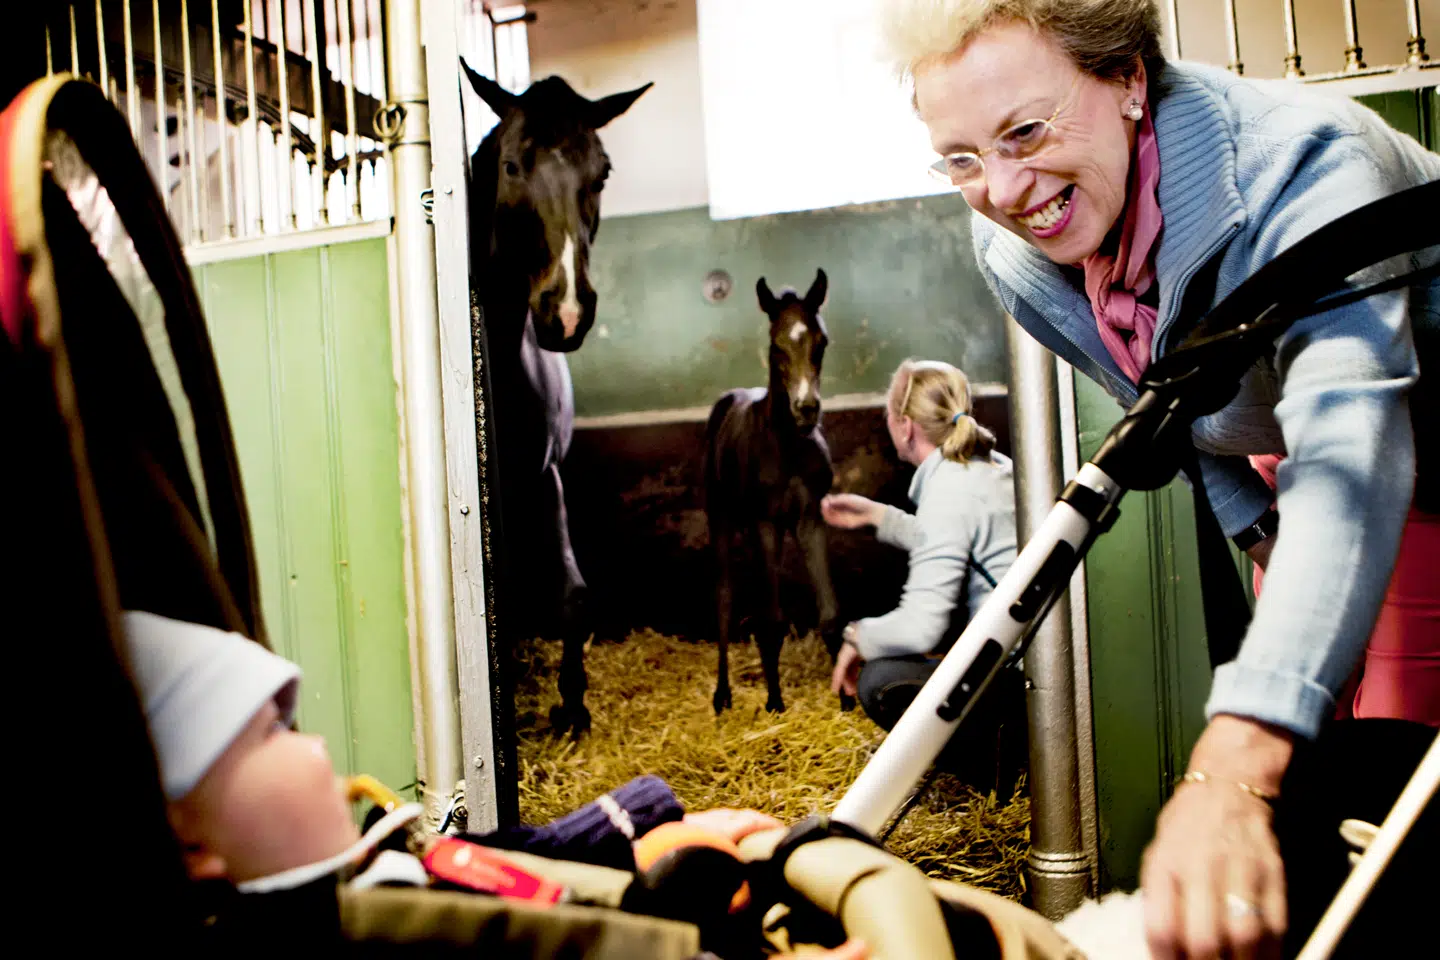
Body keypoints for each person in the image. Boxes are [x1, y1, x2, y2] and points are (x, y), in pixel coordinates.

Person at [878, 1, 1440, 957]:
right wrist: (1254, 524)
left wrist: (1229, 765)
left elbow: (1352, 439)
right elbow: (1164, 401)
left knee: (1392, 780)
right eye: (963, 158)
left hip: (1388, 451)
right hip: (1310, 476)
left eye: (1025, 131)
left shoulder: (1309, 163)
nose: (1005, 188)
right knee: (1323, 777)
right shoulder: (1016, 250)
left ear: (1130, 79)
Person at [121, 608, 869, 958]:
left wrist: (654, 830)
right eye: (272, 734)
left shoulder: (383, 875)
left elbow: (507, 861)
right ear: (187, 840)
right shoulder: (363, 932)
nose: (317, 746)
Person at [822, 359, 1018, 736]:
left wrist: (857, 637)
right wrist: (879, 516)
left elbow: (921, 628)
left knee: (880, 680)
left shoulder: (948, 490)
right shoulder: (989, 467)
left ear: (905, 427)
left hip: (1017, 678)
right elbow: (957, 539)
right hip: (1041, 661)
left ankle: (998, 765)